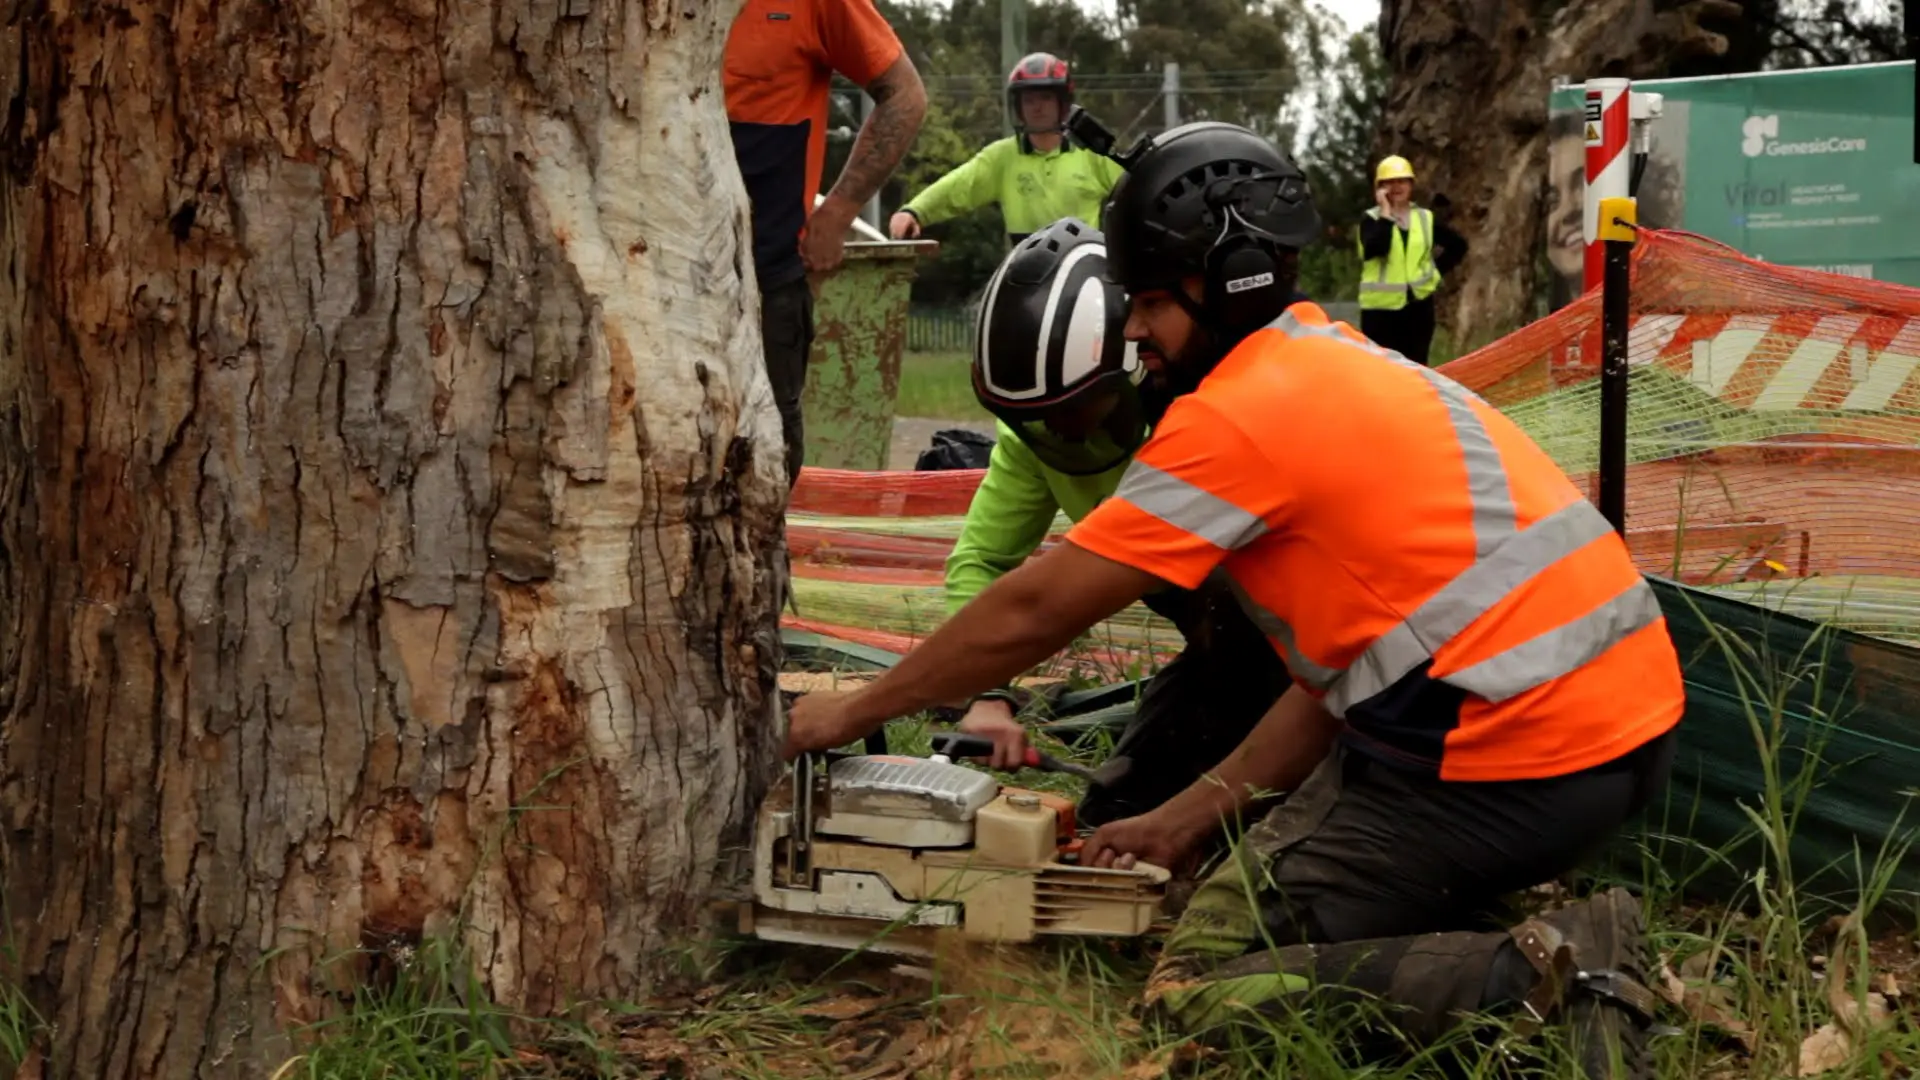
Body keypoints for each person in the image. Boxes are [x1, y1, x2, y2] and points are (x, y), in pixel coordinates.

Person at [786, 119, 1682, 1077]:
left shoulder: (1235, 420)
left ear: (1231, 282)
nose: (1134, 331)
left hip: (1513, 757)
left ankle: (1547, 973)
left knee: (1198, 981)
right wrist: (1186, 819)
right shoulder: (1336, 363)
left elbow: (1034, 610)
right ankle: (1474, 921)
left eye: (1152, 305)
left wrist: (850, 710)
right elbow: (1343, 674)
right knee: (1224, 873)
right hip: (1606, 731)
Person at [944, 217, 1294, 830]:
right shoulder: (1035, 438)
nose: (1061, 433)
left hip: (1308, 652)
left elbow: (1040, 606)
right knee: (1114, 816)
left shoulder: (1209, 420)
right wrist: (986, 693)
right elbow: (982, 561)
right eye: (1039, 420)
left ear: (1136, 366)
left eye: (1078, 410)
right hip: (1218, 650)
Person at [724, 0, 928, 487]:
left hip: (769, 279)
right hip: (653, 273)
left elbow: (905, 95)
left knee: (764, 450)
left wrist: (838, 212)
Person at [888, 53, 1126, 246]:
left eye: (1045, 97)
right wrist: (915, 211)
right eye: (1029, 100)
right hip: (1026, 273)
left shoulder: (1093, 153)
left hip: (1085, 270)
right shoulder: (1002, 157)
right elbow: (959, 185)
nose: (1037, 107)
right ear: (1018, 106)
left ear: (1062, 103)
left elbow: (1139, 189)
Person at [1356, 155, 1468, 366]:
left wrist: (1434, 273)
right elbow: (1376, 249)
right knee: (1382, 371)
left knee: (1417, 369)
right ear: (1379, 187)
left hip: (1418, 308)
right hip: (1380, 312)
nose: (1396, 187)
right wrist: (1387, 215)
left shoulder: (1425, 218)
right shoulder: (1370, 220)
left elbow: (1458, 246)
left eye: (1402, 181)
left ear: (1411, 185)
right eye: (1389, 182)